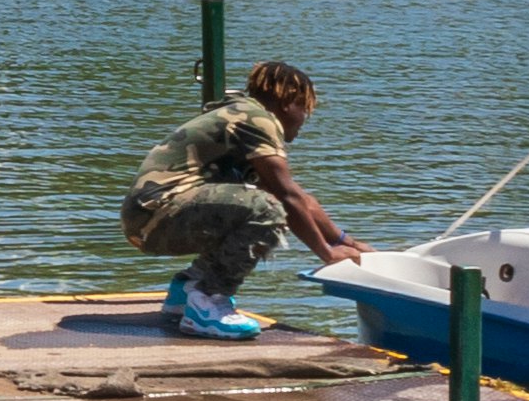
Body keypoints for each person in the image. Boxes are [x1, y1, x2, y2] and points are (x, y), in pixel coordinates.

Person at [123, 57, 355, 342]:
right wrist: (327, 254)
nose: (305, 118)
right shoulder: (257, 119)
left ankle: (188, 290)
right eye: (305, 109)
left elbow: (300, 197)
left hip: (150, 217)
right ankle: (208, 300)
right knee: (268, 210)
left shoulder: (244, 116)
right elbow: (286, 196)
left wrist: (345, 242)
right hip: (157, 215)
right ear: (288, 102)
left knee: (257, 204)